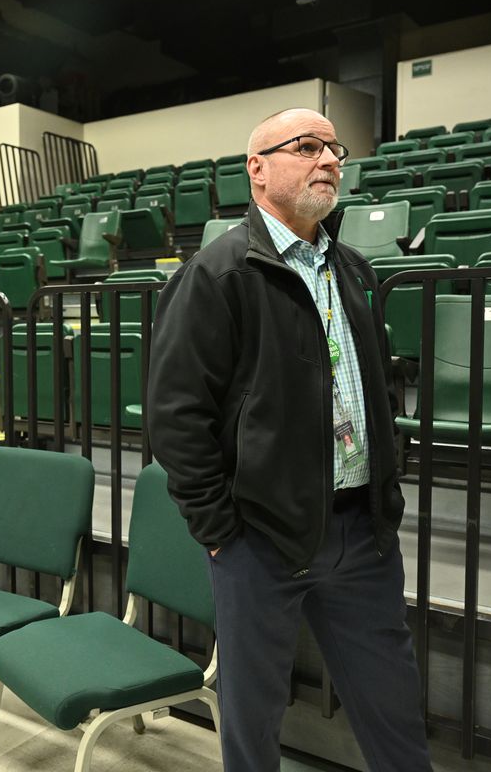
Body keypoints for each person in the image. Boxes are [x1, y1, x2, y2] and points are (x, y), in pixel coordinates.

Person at [147, 108, 432, 771]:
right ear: (258, 168)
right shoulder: (218, 274)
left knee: (393, 711)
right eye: (307, 147)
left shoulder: (354, 270)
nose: (329, 158)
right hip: (261, 540)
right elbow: (176, 417)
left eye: (335, 147)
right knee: (253, 724)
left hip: (361, 534)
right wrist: (222, 530)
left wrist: (385, 490)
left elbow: (376, 392)